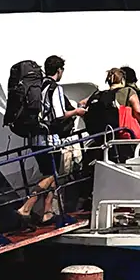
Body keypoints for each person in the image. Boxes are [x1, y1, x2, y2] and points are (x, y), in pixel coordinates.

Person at [18, 56, 88, 225]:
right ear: (59, 71)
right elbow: (59, 114)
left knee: (50, 173)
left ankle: (47, 212)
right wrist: (77, 112)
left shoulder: (38, 86)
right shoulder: (54, 87)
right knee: (52, 174)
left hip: (34, 138)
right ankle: (26, 207)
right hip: (48, 139)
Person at [107, 67, 140, 140]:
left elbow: (82, 105)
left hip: (107, 135)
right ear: (123, 80)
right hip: (124, 134)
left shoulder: (101, 95)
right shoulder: (128, 91)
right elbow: (138, 112)